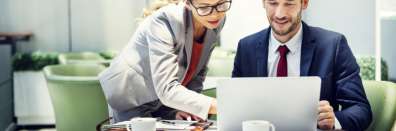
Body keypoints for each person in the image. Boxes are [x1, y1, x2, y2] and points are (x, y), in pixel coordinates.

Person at [231, 0, 372, 130]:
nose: (280, 14)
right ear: (263, 2)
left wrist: (333, 119)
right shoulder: (246, 47)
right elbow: (235, 107)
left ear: (304, 3)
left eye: (289, 4)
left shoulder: (333, 45)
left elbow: (361, 109)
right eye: (273, 3)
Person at [98, 0, 231, 122]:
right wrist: (221, 106)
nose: (215, 14)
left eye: (221, 4)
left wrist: (187, 108)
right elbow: (167, 89)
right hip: (132, 97)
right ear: (187, 3)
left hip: (166, 102)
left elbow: (198, 71)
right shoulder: (165, 20)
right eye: (204, 7)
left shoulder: (218, 20)